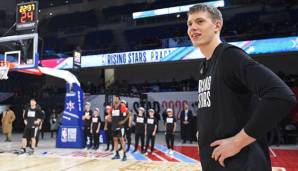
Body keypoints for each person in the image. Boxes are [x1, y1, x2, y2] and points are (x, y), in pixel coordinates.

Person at [187, 4, 297, 170]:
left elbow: (281, 95)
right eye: (189, 24)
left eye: (200, 21)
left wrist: (237, 142)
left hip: (242, 164)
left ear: (217, 25)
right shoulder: (205, 65)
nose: (193, 27)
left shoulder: (229, 56)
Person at [110, 95, 128, 161]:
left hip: (120, 127)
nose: (115, 99)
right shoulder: (112, 107)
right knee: (115, 140)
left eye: (117, 98)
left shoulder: (122, 106)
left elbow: (128, 114)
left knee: (122, 140)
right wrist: (109, 118)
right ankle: (117, 154)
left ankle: (125, 155)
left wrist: (123, 121)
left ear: (119, 100)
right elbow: (110, 116)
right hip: (113, 127)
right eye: (115, 98)